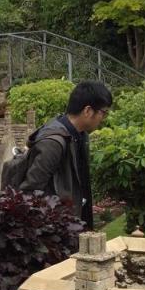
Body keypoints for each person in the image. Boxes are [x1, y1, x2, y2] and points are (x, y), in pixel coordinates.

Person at [18, 80, 113, 230]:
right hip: (54, 231)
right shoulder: (53, 143)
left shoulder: (80, 135)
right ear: (88, 111)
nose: (104, 118)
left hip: (72, 226)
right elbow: (30, 191)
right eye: (103, 112)